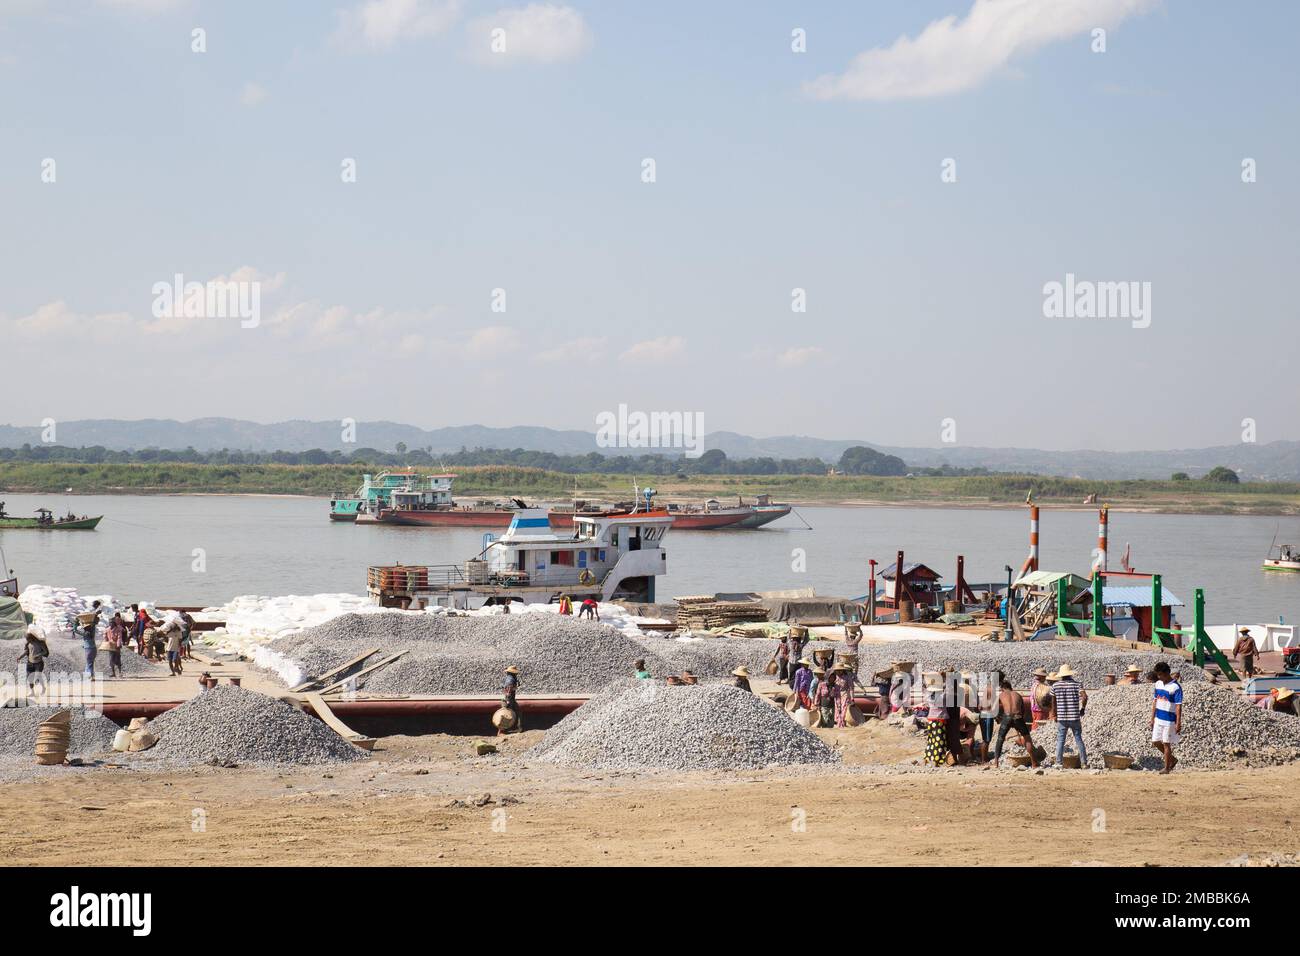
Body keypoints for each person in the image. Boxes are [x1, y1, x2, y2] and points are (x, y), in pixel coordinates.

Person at [992, 678, 1037, 767]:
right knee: (1027, 739)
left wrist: (998, 718)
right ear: (1011, 687)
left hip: (1007, 717)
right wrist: (1020, 721)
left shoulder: (1001, 695)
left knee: (1000, 739)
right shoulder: (1018, 695)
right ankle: (1034, 763)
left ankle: (996, 763)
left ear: (1002, 688)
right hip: (1018, 717)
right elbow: (1023, 710)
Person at [1049, 664, 1088, 767]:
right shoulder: (1077, 685)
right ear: (1070, 674)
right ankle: (1084, 763)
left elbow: (1053, 703)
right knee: (1078, 739)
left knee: (1061, 740)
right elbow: (1084, 697)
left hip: (1061, 718)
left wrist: (1054, 714)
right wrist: (1082, 709)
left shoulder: (1055, 686)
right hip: (1074, 717)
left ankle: (1058, 762)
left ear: (1061, 675)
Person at [1149, 661, 1182, 774]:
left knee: (1166, 743)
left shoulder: (1176, 687)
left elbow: (1178, 706)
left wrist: (1178, 722)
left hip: (1169, 720)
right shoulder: (1158, 684)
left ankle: (1167, 768)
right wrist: (1152, 718)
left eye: (1161, 674)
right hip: (1158, 718)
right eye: (1158, 675)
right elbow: (1155, 702)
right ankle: (1172, 759)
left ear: (1167, 673)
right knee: (1155, 741)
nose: (1159, 677)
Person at [16, 627, 49, 695]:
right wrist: (20, 657)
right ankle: (32, 692)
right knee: (29, 678)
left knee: (38, 677)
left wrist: (38, 655)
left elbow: (45, 652)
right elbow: (26, 651)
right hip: (30, 663)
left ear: (32, 637)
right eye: (27, 639)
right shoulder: (28, 644)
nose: (27, 640)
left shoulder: (40, 643)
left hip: (38, 663)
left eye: (28, 639)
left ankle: (43, 688)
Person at [499, 665, 522, 735]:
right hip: (510, 698)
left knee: (512, 712)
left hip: (509, 698)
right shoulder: (511, 679)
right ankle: (504, 729)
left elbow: (505, 687)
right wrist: (508, 700)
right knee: (509, 713)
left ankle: (507, 729)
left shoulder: (509, 678)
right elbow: (509, 689)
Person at [832, 662, 856, 728]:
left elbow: (851, 688)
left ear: (843, 670)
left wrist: (852, 698)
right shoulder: (833, 677)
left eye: (840, 670)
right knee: (837, 710)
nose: (838, 672)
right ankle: (838, 724)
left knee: (843, 709)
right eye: (837, 670)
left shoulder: (847, 678)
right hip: (836, 696)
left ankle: (841, 724)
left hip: (845, 695)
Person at [105, 612, 127, 677]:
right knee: (111, 660)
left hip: (116, 646)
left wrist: (118, 645)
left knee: (118, 659)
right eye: (109, 623)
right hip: (110, 646)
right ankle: (113, 673)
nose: (110, 624)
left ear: (114, 624)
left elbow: (119, 638)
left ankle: (120, 672)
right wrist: (106, 641)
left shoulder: (118, 629)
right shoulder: (108, 629)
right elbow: (105, 636)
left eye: (111, 623)